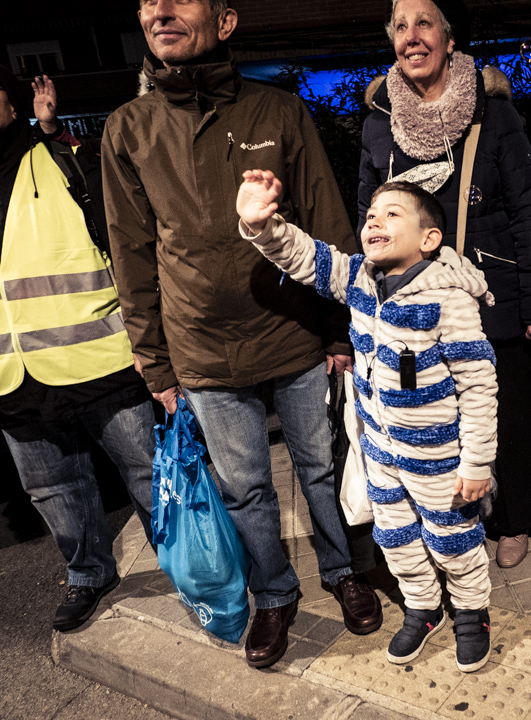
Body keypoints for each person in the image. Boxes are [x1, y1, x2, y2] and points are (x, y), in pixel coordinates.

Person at [101, 0, 380, 669]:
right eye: (148, 3)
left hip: (293, 333)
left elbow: (325, 218)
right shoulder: (127, 128)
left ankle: (344, 571)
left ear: (225, 21)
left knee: (321, 469)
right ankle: (275, 592)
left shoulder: (277, 111)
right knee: (244, 486)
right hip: (199, 346)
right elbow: (131, 253)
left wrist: (340, 331)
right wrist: (156, 366)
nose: (160, 11)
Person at [237, 174, 498, 672]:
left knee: (453, 538)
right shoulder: (358, 278)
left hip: (438, 457)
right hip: (381, 453)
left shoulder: (450, 298)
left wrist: (477, 461)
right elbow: (305, 258)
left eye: (393, 214)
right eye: (371, 215)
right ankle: (423, 606)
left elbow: (479, 386)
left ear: (429, 239)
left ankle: (471, 610)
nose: (375, 221)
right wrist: (263, 226)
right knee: (396, 536)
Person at [357, 0, 531, 569]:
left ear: (448, 37)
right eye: (401, 27)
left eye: (424, 24)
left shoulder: (492, 113)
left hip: (487, 289)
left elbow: (526, 208)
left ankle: (516, 516)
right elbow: (365, 209)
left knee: (503, 407)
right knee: (431, 411)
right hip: (411, 295)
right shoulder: (379, 123)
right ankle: (457, 512)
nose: (412, 38)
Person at [0, 67, 155, 632]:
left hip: (98, 359)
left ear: (13, 105)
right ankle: (89, 573)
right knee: (51, 487)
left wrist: (149, 340)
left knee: (149, 473)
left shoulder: (68, 162)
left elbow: (129, 252)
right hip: (11, 379)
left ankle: (195, 570)